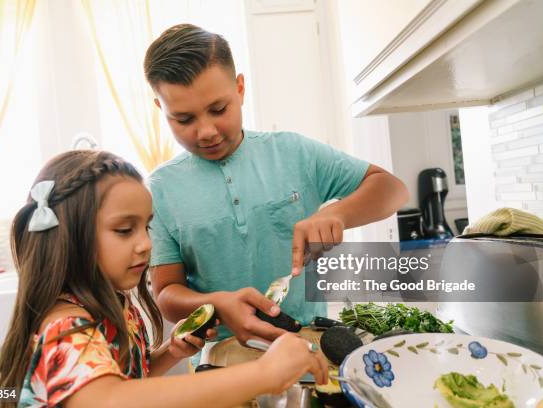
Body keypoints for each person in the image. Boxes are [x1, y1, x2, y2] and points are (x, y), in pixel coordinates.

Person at [144, 24, 409, 359]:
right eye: (183, 119)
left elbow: (393, 189)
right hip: (218, 364)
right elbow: (167, 293)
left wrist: (336, 212)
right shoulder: (159, 190)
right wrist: (219, 305)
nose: (206, 132)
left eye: (218, 109)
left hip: (307, 349)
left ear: (240, 89)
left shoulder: (294, 153)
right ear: (160, 109)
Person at [0, 150, 328, 408]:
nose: (145, 244)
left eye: (146, 227)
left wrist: (170, 352)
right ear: (70, 237)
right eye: (125, 230)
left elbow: (128, 382)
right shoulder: (66, 329)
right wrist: (264, 374)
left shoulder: (114, 304)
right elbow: (109, 400)